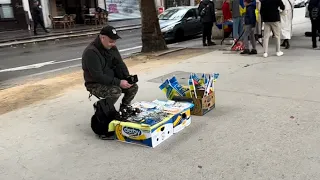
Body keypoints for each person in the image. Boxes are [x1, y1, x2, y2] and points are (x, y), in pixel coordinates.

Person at [82, 25, 138, 115]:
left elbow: (120, 63)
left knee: (133, 87)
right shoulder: (91, 52)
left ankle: (124, 109)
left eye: (115, 41)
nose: (113, 44)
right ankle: (103, 111)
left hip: (111, 79)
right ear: (102, 38)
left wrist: (127, 77)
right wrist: (119, 82)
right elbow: (98, 76)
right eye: (111, 41)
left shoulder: (112, 48)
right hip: (95, 83)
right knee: (115, 91)